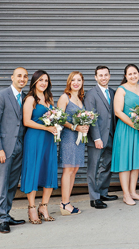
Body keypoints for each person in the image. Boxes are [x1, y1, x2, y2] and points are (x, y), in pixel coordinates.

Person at [0, 67, 28, 233]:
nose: (22, 79)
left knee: (12, 184)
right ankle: (1, 218)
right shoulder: (1, 96)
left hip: (19, 146)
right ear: (12, 77)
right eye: (19, 76)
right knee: (2, 183)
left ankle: (5, 214)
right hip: (4, 148)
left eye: (25, 76)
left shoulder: (25, 98)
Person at [111, 64, 139, 205]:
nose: (133, 76)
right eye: (130, 74)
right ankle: (125, 195)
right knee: (125, 161)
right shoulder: (121, 90)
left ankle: (133, 192)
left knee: (136, 161)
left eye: (135, 73)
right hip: (126, 129)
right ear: (125, 76)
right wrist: (136, 125)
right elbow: (118, 111)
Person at [21, 70, 59, 224]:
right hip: (35, 138)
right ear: (35, 82)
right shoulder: (30, 99)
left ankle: (43, 206)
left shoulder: (49, 99)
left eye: (46, 80)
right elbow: (27, 121)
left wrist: (56, 126)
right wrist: (46, 128)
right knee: (34, 171)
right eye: (41, 80)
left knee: (49, 170)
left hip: (49, 139)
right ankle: (31, 208)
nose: (44, 83)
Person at [84, 65, 118, 209]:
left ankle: (103, 192)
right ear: (96, 77)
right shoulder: (91, 94)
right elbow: (91, 117)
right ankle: (94, 197)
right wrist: (97, 138)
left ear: (109, 76)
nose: (103, 77)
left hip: (111, 134)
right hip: (97, 137)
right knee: (94, 166)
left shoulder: (113, 92)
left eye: (106, 75)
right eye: (101, 75)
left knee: (107, 165)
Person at [56, 71, 88, 215]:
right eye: (73, 80)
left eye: (79, 80)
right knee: (68, 170)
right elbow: (59, 118)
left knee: (74, 170)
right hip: (68, 137)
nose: (76, 82)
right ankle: (64, 203)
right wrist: (75, 127)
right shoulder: (65, 97)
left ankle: (67, 201)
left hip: (79, 140)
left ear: (82, 83)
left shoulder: (80, 98)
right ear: (69, 82)